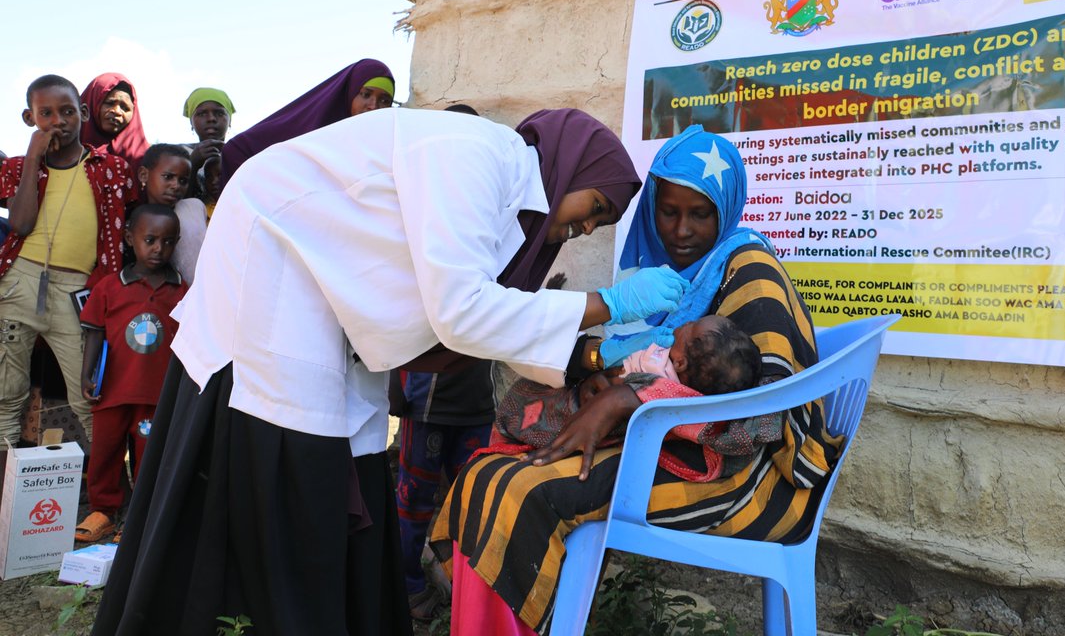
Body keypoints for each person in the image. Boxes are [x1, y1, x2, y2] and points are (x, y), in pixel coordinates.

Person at [91, 107, 689, 636]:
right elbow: (463, 313)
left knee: (351, 442)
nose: (588, 227)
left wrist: (591, 352)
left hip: (330, 287)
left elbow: (486, 319)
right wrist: (609, 304)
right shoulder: (475, 157)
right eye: (596, 208)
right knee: (292, 435)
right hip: (273, 252)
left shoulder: (510, 197)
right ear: (573, 168)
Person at [431, 125, 837, 636]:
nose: (682, 230)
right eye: (668, 212)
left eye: (701, 213)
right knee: (489, 468)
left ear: (727, 209)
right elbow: (634, 360)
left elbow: (764, 413)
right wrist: (608, 379)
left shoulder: (748, 267)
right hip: (673, 451)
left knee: (517, 489)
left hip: (746, 480)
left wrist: (631, 396)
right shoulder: (683, 285)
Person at [391, 101, 494, 622]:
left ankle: (466, 596)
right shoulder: (423, 217)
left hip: (476, 399)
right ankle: (406, 587)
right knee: (413, 499)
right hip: (425, 396)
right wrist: (394, 385)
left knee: (472, 499)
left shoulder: (491, 219)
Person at [0, 75, 135, 451]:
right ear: (30, 118)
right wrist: (32, 158)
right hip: (19, 282)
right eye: (46, 113)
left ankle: (108, 498)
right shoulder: (16, 168)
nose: (57, 121)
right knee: (6, 396)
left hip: (77, 291)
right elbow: (22, 223)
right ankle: (5, 503)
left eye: (68, 112)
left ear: (84, 113)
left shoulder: (108, 168)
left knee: (88, 396)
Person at [76, 204, 187, 543]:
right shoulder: (110, 287)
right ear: (129, 238)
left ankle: (140, 517)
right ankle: (103, 512)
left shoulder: (182, 290)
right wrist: (87, 375)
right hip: (112, 390)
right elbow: (94, 332)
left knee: (148, 457)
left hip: (155, 395)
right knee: (106, 452)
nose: (158, 249)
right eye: (150, 240)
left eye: (167, 242)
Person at [492, 315, 762, 451]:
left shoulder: (658, 372)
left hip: (582, 407)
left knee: (534, 405)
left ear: (679, 362)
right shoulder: (681, 388)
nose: (685, 322)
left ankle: (512, 427)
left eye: (690, 326)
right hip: (593, 388)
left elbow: (622, 378)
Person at [219, 58, 394, 188]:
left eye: (385, 101)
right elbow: (237, 150)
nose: (374, 106)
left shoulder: (384, 148)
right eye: (366, 94)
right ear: (350, 92)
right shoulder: (313, 125)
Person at [134, 144, 207, 285]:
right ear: (143, 175)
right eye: (168, 177)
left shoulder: (194, 208)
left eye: (183, 181)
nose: (176, 186)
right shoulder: (138, 221)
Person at [80, 72, 150, 169]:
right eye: (110, 103)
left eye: (125, 108)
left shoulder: (146, 160)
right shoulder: (62, 150)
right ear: (91, 104)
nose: (117, 111)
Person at [182, 87, 235, 214]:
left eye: (219, 113)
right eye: (201, 114)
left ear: (229, 121)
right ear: (191, 122)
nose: (211, 118)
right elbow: (176, 202)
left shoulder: (241, 153)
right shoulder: (178, 154)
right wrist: (192, 164)